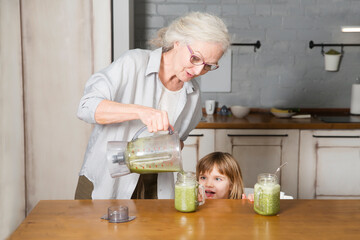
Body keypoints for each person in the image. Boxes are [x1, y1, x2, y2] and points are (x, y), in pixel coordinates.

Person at [75, 12, 230, 200]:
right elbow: (86, 107)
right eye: (195, 59)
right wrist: (141, 111)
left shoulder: (193, 94)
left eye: (208, 66)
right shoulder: (134, 63)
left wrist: (174, 146)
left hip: (154, 186)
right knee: (93, 229)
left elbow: (177, 142)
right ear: (177, 42)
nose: (198, 71)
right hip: (105, 179)